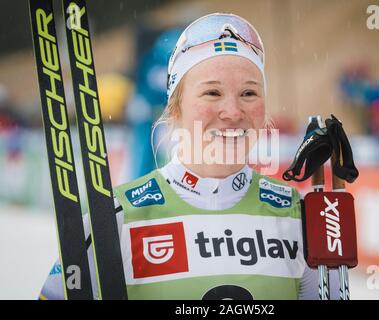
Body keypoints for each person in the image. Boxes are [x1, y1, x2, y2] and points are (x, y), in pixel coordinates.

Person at [39, 13, 339, 300]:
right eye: (212, 93)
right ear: (176, 107)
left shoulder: (299, 216)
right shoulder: (114, 220)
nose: (233, 112)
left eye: (249, 93)